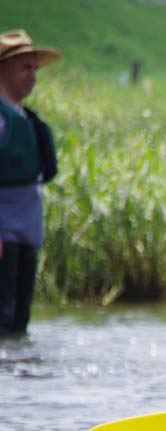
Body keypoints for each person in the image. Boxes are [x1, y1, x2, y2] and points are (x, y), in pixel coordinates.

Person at [0, 29, 59, 336]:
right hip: (3, 237)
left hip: (27, 236)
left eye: (35, 68)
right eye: (25, 67)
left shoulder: (27, 119)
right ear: (2, 70)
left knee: (19, 324)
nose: (33, 75)